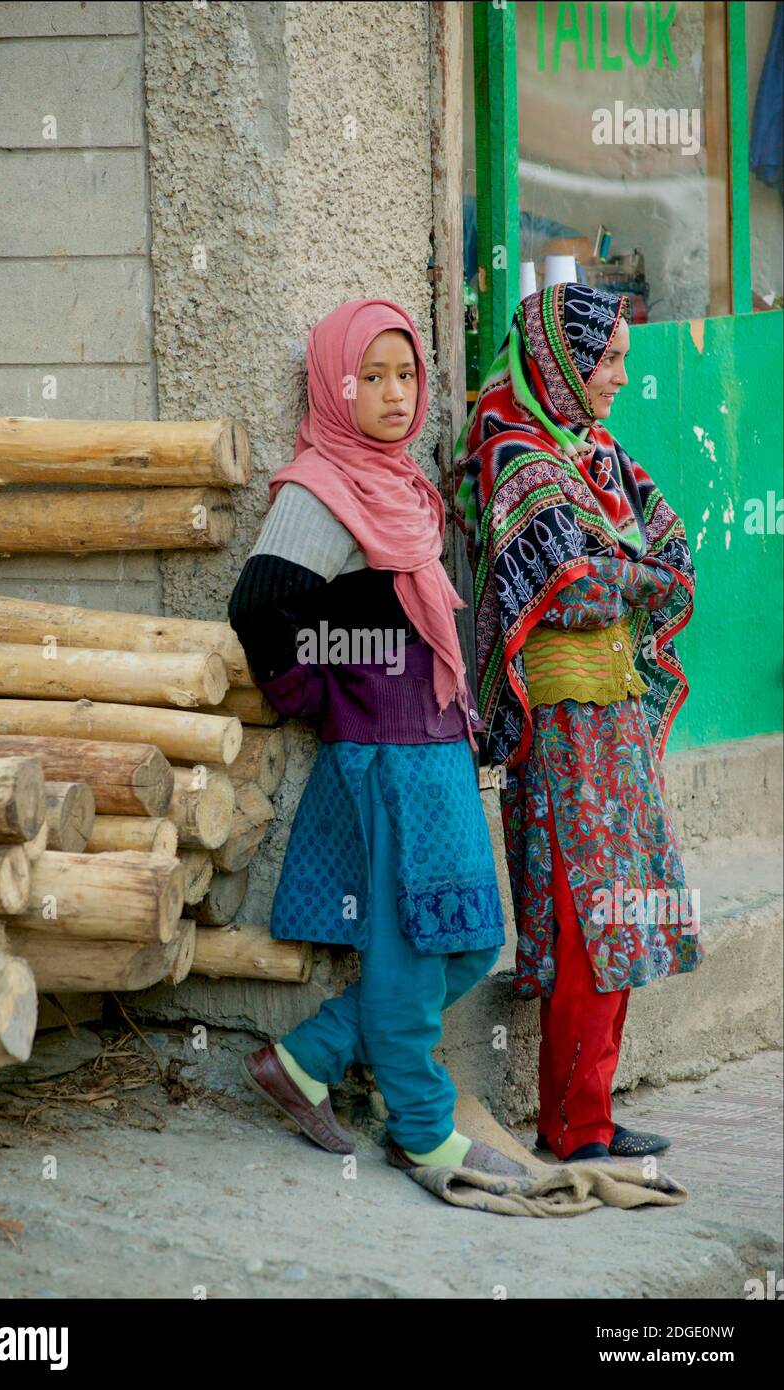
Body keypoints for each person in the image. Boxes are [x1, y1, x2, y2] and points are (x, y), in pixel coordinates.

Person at [228, 297, 526, 1177]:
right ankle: (423, 1125)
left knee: (467, 940)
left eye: (407, 375)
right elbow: (257, 606)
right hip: (386, 755)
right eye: (372, 376)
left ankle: (306, 1059)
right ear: (334, 384)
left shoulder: (399, 485)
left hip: (432, 748)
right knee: (408, 941)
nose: (395, 394)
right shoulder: (322, 489)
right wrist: (311, 690)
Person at [453, 282, 704, 1163]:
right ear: (560, 363)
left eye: (624, 360)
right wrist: (627, 570)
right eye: (607, 361)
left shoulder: (592, 455)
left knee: (624, 917)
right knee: (582, 921)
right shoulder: (518, 458)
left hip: (616, 718)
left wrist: (623, 567)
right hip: (562, 728)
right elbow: (574, 591)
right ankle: (570, 1128)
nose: (621, 379)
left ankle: (590, 1115)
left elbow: (673, 551)